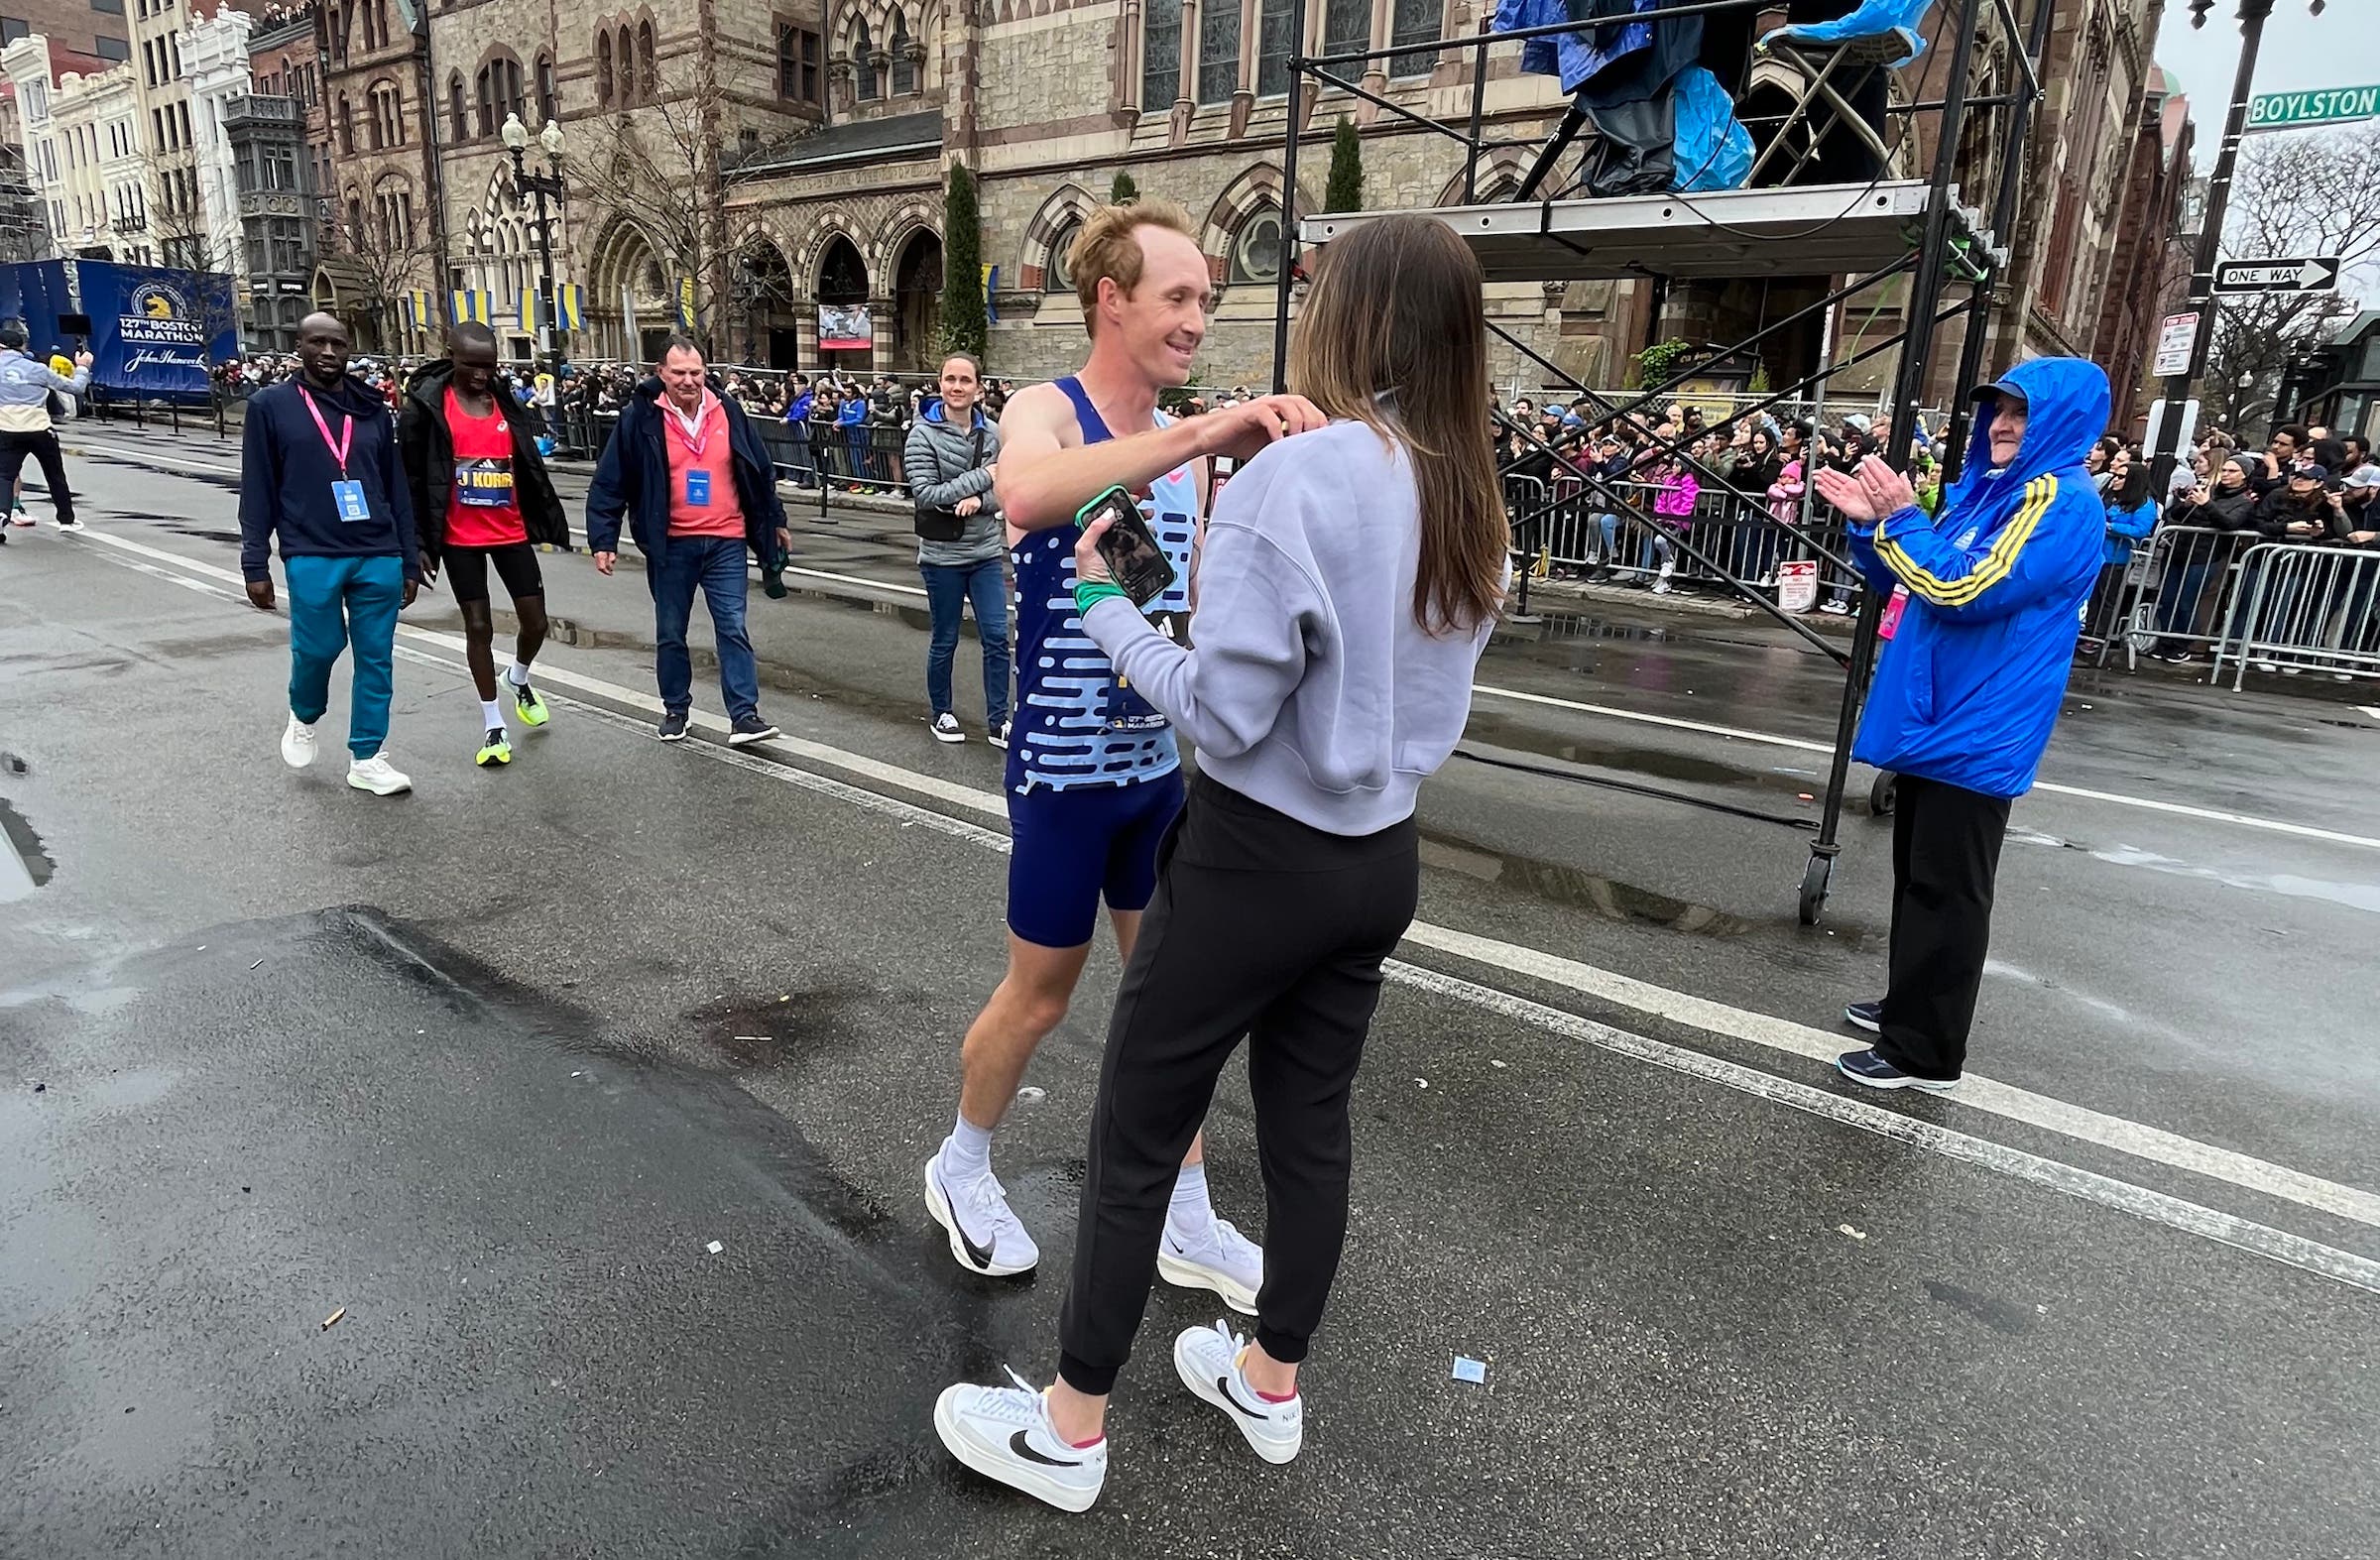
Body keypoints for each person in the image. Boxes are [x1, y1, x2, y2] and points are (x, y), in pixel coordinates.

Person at [932, 212, 1509, 1514]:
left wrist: (1102, 609)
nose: (1213, 315)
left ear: (1351, 319)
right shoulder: (1465, 482)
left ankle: (1071, 1427)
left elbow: (1225, 707)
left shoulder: (1296, 475)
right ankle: (1269, 1379)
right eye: (1182, 293)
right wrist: (1141, 564)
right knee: (1312, 1131)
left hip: (1255, 854)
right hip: (1379, 854)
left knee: (1136, 1126)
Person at [918, 199, 1308, 1318]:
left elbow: (1166, 607)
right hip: (1062, 778)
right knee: (1041, 999)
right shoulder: (1047, 408)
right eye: (1178, 296)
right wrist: (1199, 434)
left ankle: (1186, 1214)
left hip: (1152, 778)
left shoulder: (1186, 460)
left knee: (1174, 1002)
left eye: (1205, 298)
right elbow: (1030, 494)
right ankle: (961, 1166)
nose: (1199, 318)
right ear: (1112, 300)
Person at [1817, 357, 2107, 1090]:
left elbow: (1960, 586)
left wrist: (1903, 518)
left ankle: (1925, 1048)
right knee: (1921, 879)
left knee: (1948, 890)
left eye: (2020, 414)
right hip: (1944, 715)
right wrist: (1872, 529)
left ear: (2060, 423)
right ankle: (1908, 1006)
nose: (2002, 425)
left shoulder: (2060, 502)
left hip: (1979, 726)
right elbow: (1911, 573)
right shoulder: (1993, 492)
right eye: (1996, 412)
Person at [237, 311, 421, 796]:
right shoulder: (269, 407)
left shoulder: (371, 410)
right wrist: (254, 562)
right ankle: (304, 712)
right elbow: (257, 488)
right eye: (317, 342)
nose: (328, 353)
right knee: (318, 648)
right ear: (299, 346)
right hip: (311, 548)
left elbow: (395, 486)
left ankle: (368, 756)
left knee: (377, 658)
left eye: (338, 344)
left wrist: (409, 554)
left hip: (377, 548)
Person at [584, 334, 789, 745]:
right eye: (678, 373)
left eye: (695, 372)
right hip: (671, 542)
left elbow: (759, 470)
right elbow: (610, 482)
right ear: (661, 373)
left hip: (726, 539)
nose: (688, 380)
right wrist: (603, 539)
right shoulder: (640, 417)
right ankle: (676, 709)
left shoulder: (728, 411)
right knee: (671, 630)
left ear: (706, 373)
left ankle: (744, 716)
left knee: (733, 627)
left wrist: (776, 520)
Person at [397, 322, 570, 769]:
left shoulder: (503, 402)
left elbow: (526, 464)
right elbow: (412, 479)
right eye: (470, 365)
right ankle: (493, 725)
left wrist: (546, 514)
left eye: (488, 366)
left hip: (509, 529)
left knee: (536, 622)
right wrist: (417, 543)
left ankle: (519, 677)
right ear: (450, 355)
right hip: (459, 536)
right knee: (478, 627)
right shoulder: (426, 407)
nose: (480, 374)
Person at [904, 352, 1012, 745]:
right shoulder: (922, 435)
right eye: (950, 379)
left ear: (979, 388)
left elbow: (1007, 488)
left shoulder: (996, 433)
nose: (957, 387)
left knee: (997, 638)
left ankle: (999, 719)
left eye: (965, 380)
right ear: (939, 384)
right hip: (942, 556)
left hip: (983, 553)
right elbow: (926, 493)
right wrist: (981, 477)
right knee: (945, 638)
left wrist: (981, 501)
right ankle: (942, 712)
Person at [2150, 452, 2260, 661]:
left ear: (2244, 475)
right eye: (2225, 470)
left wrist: (2206, 504)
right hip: (2179, 550)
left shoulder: (2243, 501)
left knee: (2187, 601)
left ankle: (2181, 643)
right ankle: (2163, 639)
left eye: (2232, 471)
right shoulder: (2210, 490)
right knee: (2167, 598)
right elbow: (2172, 516)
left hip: (2205, 555)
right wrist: (2186, 505)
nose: (2226, 474)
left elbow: (2230, 523)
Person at [0, 320, 93, 536]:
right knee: (55, 474)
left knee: (4, 475)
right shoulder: (37, 369)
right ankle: (66, 520)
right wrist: (82, 367)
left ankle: (2, 513)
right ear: (21, 347)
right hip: (40, 428)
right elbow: (76, 388)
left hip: (8, 429)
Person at [2084, 449, 2157, 643]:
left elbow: (2141, 529)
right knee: (2092, 597)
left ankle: (2098, 636)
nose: (2114, 479)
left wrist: (2111, 526)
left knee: (2107, 599)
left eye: (2120, 477)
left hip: (2118, 558)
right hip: (2097, 554)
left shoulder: (2144, 503)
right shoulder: (2111, 496)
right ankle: (2087, 631)